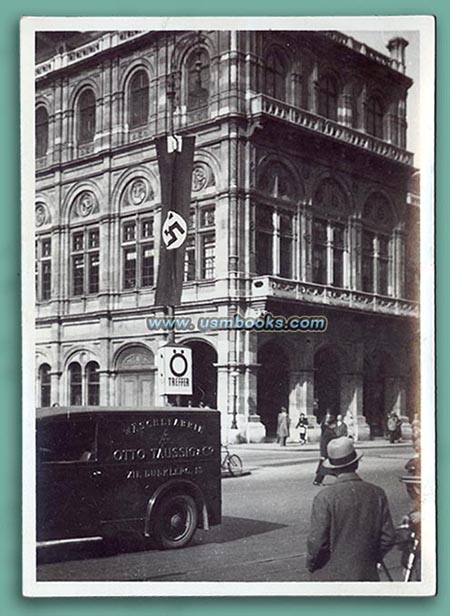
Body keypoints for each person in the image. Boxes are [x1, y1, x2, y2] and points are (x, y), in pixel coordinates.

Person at [306, 436, 396, 581]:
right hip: (366, 575)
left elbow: (317, 544)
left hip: (330, 576)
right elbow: (388, 537)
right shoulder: (377, 493)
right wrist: (370, 560)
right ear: (356, 464)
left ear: (332, 470)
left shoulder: (324, 497)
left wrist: (311, 565)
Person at [313, 411, 336, 485]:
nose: (335, 425)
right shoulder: (327, 432)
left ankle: (317, 480)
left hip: (329, 452)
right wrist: (323, 454)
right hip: (327, 453)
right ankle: (317, 481)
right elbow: (323, 444)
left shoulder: (329, 431)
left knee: (325, 467)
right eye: (334, 424)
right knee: (325, 467)